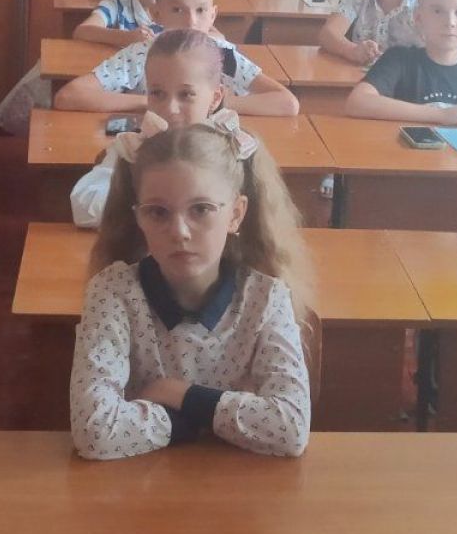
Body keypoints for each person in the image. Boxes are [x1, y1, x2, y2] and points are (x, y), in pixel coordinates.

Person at [71, 122, 312, 460]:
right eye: (158, 212)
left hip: (236, 483)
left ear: (236, 214)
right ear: (138, 217)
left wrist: (178, 394)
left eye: (201, 209)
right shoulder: (113, 293)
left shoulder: (267, 298)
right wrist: (202, 421)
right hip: (136, 483)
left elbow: (291, 428)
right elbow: (95, 432)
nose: (180, 231)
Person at [56, 0, 299, 117]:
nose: (191, 22)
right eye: (177, 10)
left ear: (213, 14)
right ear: (156, 13)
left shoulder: (224, 55)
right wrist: (150, 102)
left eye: (201, 10)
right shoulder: (143, 53)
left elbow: (287, 103)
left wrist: (210, 104)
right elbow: (69, 96)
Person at [71, 30, 232, 228]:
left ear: (215, 98)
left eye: (186, 94)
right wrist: (151, 204)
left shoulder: (231, 151)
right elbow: (83, 206)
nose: (171, 108)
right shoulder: (134, 148)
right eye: (157, 93)